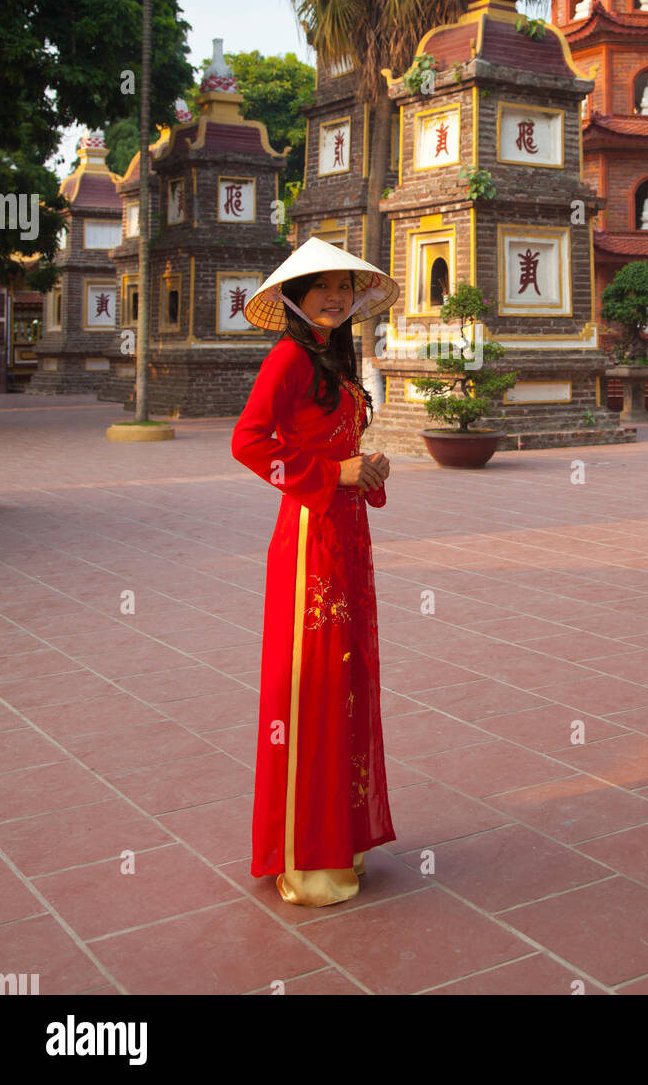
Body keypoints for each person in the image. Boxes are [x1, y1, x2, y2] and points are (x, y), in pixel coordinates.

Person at [232, 237, 400, 907]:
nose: (334, 297)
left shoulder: (333, 357)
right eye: (320, 287)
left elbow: (337, 446)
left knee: (347, 680)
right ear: (295, 299)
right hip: (308, 541)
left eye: (342, 287)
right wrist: (331, 474)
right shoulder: (286, 358)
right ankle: (306, 859)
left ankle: (341, 842)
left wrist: (366, 470)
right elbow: (249, 441)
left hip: (346, 533)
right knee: (312, 686)